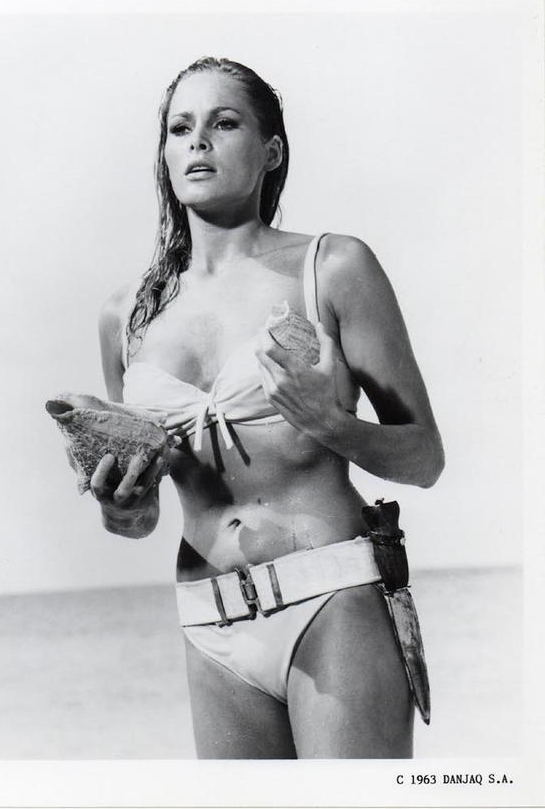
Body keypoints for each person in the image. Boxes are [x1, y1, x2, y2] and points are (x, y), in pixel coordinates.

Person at [92, 57, 444, 759]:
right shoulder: (125, 317)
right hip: (209, 619)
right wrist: (120, 509)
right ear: (165, 154)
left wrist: (331, 424)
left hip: (334, 597)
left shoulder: (333, 267)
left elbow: (425, 458)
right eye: (180, 128)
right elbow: (142, 515)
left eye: (224, 123)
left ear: (271, 150)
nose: (198, 141)